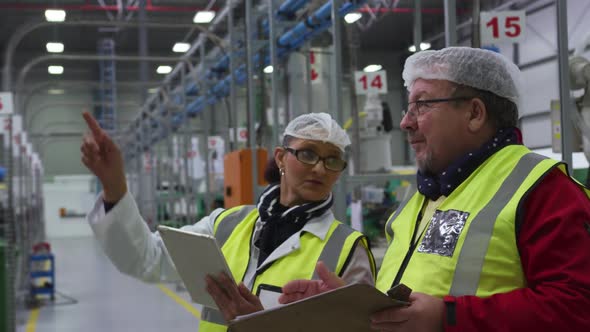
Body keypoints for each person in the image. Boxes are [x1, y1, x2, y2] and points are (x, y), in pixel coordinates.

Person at [279, 47, 590, 331]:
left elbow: (578, 308)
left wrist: (450, 317)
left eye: (422, 105)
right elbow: (415, 300)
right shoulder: (423, 198)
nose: (405, 122)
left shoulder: (542, 188)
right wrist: (351, 307)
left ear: (474, 113)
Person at [81, 111, 376, 331]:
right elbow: (146, 258)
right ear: (281, 158)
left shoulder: (348, 249)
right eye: (308, 153)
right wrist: (115, 187)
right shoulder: (227, 225)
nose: (320, 169)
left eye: (332, 160)